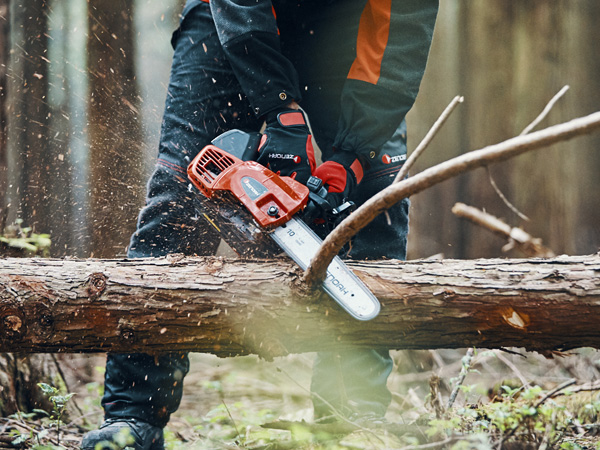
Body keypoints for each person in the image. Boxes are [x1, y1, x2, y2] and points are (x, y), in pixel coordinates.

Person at [81, 0, 438, 449]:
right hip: (229, 24)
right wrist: (281, 109)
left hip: (351, 36)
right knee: (179, 198)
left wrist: (355, 148)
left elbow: (404, 25)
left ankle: (353, 418)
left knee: (372, 205)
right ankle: (133, 416)